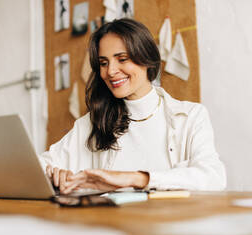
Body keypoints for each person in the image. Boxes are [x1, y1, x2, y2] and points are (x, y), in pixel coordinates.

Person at [39, 18, 226, 194]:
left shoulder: (190, 116)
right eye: (104, 63)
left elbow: (213, 178)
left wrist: (136, 179)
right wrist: (54, 176)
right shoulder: (92, 122)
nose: (110, 71)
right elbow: (38, 166)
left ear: (146, 59)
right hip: (111, 225)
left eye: (122, 59)